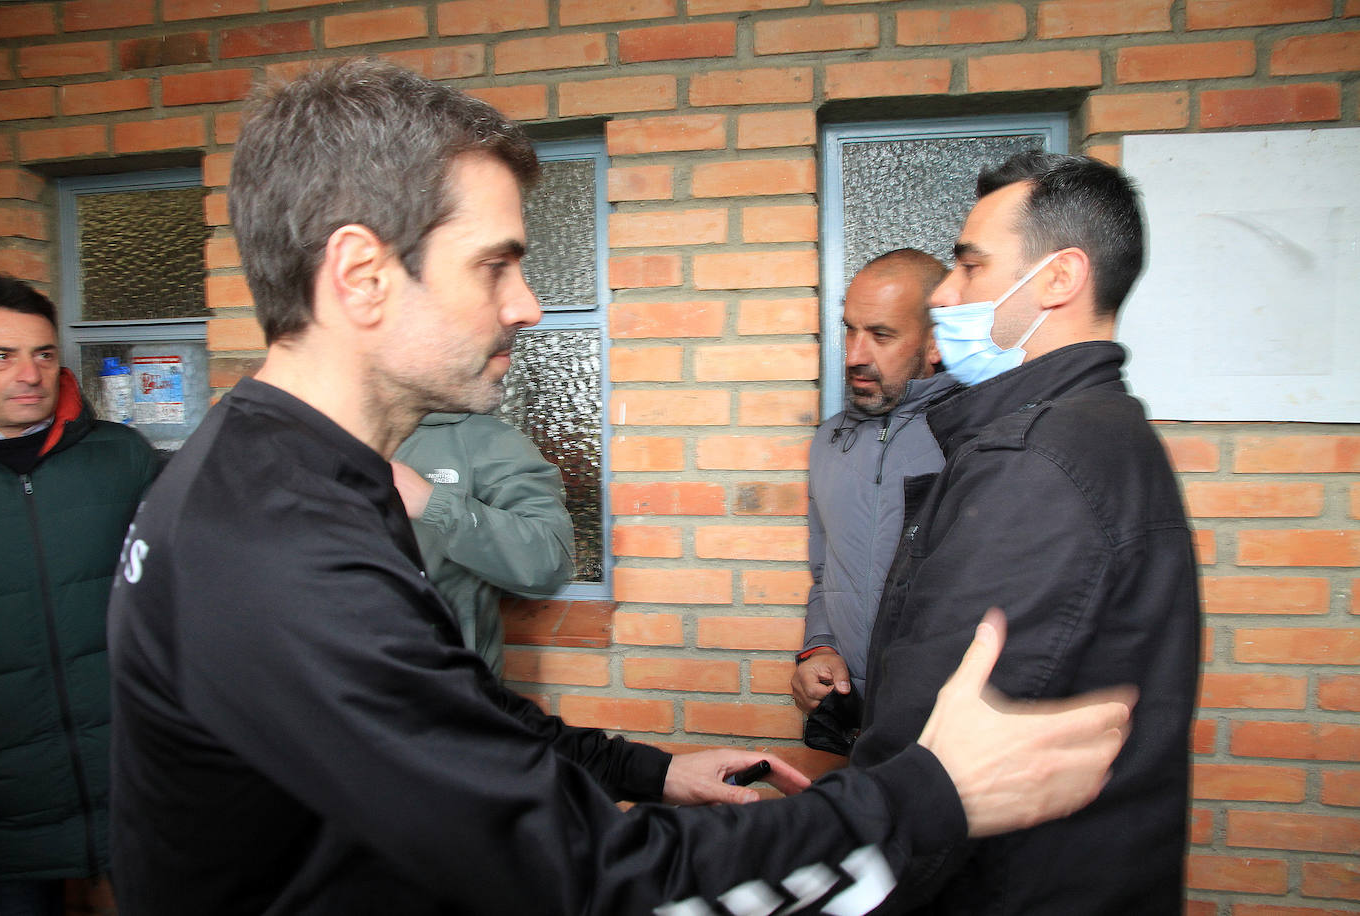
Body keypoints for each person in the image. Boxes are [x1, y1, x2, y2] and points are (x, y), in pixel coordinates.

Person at [107, 61, 1136, 916]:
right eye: (496, 264)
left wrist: (644, 770)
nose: (529, 304)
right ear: (363, 274)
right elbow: (591, 880)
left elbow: (447, 710)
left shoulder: (290, 472)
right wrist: (933, 793)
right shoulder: (274, 543)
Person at [851, 151, 1200, 914]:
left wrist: (833, 838)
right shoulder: (1104, 431)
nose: (945, 294)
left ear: (1059, 279)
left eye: (971, 268)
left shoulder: (1037, 463)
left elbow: (931, 756)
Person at [0, 273, 158, 914]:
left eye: (44, 353)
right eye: (1, 356)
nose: (29, 373)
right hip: (3, 818)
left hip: (130, 787)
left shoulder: (122, 458)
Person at [793, 249, 958, 725]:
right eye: (850, 329)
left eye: (881, 335)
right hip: (856, 727)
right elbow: (827, 573)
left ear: (935, 343)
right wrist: (818, 647)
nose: (854, 356)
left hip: (949, 732)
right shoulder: (830, 442)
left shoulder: (976, 440)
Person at [392, 412, 575, 677]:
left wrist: (434, 505)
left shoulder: (485, 440)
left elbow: (549, 563)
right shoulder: (325, 433)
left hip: (444, 694)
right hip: (330, 688)